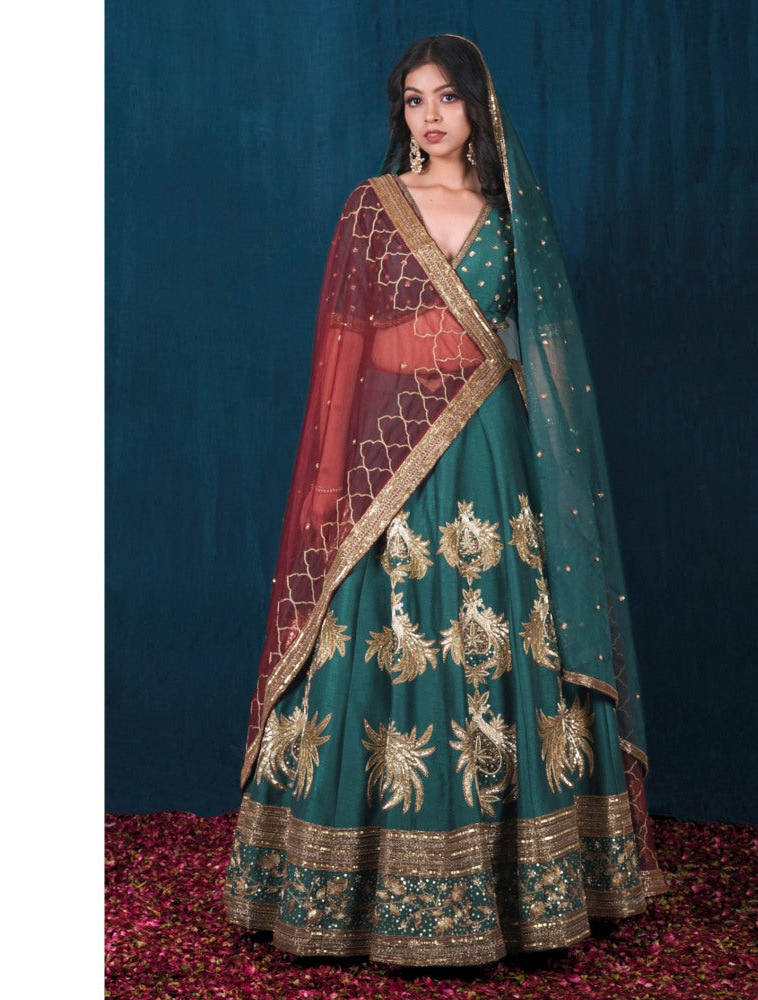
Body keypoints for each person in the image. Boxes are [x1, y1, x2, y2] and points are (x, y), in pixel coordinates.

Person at [223, 34, 665, 966]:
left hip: (494, 452)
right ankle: (351, 882)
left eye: (447, 98)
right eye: (414, 100)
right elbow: (343, 349)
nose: (429, 116)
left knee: (498, 630)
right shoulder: (372, 208)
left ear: (479, 108)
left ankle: (516, 884)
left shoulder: (511, 213)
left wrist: (555, 474)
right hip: (389, 461)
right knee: (382, 633)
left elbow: (544, 351)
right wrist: (328, 481)